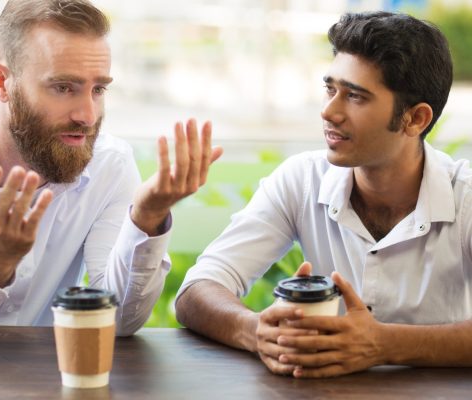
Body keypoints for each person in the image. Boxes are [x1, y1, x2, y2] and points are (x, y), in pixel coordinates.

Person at [175, 11, 472, 378]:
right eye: (331, 89)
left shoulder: (467, 198)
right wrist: (257, 332)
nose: (329, 111)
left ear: (415, 119)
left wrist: (383, 344)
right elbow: (196, 290)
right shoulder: (302, 179)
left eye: (356, 97)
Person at [0, 0, 222, 350]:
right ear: (1, 82)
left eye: (98, 89)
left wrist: (147, 217)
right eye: (64, 87)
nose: (88, 115)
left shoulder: (109, 164)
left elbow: (119, 320)